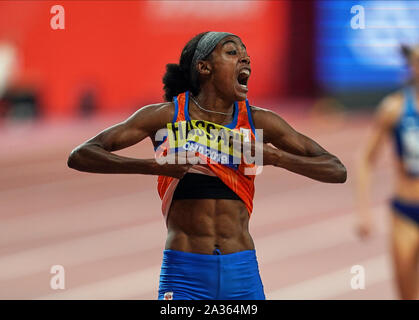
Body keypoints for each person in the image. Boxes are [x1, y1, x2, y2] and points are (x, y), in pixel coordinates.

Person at [68, 31, 347, 300]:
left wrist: (276, 157)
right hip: (185, 274)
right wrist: (154, 167)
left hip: (241, 271)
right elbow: (82, 155)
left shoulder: (258, 122)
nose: (245, 58)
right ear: (204, 67)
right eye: (232, 52)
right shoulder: (167, 117)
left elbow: (336, 170)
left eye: (246, 53)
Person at [356, 44, 419, 300]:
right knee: (405, 295)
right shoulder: (394, 108)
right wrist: (364, 213)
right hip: (405, 212)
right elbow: (364, 159)